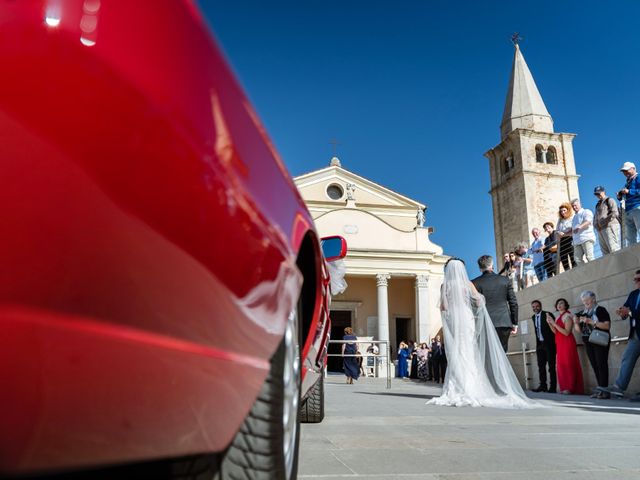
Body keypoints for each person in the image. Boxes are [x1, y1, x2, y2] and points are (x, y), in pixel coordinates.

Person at [427, 258, 539, 408]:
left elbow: (442, 307)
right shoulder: (468, 284)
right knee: (469, 350)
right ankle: (475, 386)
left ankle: (457, 386)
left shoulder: (445, 286)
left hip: (454, 319)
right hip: (467, 318)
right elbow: (479, 301)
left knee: (457, 351)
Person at [598, 271, 640, 401]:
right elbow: (627, 308)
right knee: (627, 359)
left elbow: (633, 311)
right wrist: (622, 313)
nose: (636, 282)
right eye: (634, 279)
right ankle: (619, 388)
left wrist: (631, 312)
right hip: (635, 334)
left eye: (638, 279)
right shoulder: (633, 294)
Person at [471, 255, 518, 353]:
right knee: (502, 355)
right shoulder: (504, 280)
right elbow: (513, 303)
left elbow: (472, 306)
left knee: (488, 356)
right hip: (503, 322)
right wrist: (514, 323)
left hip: (484, 323)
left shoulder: (474, 283)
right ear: (492, 265)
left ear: (480, 268)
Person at [575, 291, 611, 398]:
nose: (585, 302)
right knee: (595, 365)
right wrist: (576, 322)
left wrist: (592, 322)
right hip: (588, 341)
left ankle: (605, 392)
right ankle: (600, 390)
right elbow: (578, 330)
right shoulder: (582, 312)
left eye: (587, 300)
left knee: (601, 364)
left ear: (593, 299)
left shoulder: (600, 310)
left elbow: (607, 326)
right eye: (583, 301)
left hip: (600, 340)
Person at [547, 299, 584, 395]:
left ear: (565, 305)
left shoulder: (568, 316)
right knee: (561, 365)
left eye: (561, 303)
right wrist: (550, 323)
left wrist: (554, 323)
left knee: (569, 364)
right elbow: (556, 332)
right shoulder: (558, 316)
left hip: (567, 342)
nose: (559, 305)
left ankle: (570, 387)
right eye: (557, 303)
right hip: (559, 343)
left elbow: (567, 332)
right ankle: (564, 387)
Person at [531, 300, 557, 393]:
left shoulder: (547, 314)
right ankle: (543, 386)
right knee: (541, 366)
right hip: (539, 345)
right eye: (533, 307)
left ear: (540, 306)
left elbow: (554, 328)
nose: (535, 308)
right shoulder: (533, 317)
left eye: (537, 306)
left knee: (551, 366)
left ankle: (553, 387)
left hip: (549, 344)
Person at [618, 162, 640, 246]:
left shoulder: (638, 177)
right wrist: (620, 196)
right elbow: (627, 195)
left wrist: (629, 191)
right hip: (628, 210)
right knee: (630, 239)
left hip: (637, 207)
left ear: (633, 169)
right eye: (624, 171)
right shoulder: (627, 182)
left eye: (627, 170)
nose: (625, 173)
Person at [594, 186, 621, 255]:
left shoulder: (609, 200)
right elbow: (595, 217)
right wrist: (596, 225)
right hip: (601, 230)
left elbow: (615, 213)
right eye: (596, 194)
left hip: (610, 226)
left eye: (599, 193)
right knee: (605, 253)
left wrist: (604, 221)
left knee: (614, 249)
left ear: (603, 192)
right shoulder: (597, 205)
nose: (598, 195)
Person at [571, 198, 596, 265]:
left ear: (580, 204)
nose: (574, 207)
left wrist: (580, 227)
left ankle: (596, 271)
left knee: (589, 257)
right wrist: (563, 234)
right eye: (573, 206)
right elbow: (573, 230)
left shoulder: (586, 211)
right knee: (577, 259)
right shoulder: (574, 218)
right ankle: (587, 272)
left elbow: (588, 221)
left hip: (586, 238)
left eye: (575, 205)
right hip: (577, 241)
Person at [556, 203, 575, 272]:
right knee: (563, 258)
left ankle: (575, 271)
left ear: (568, 210)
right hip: (562, 241)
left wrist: (564, 234)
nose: (563, 212)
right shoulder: (560, 220)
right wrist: (558, 233)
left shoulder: (572, 218)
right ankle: (567, 272)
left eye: (564, 210)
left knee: (572, 256)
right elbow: (557, 230)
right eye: (561, 211)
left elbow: (573, 229)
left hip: (570, 238)